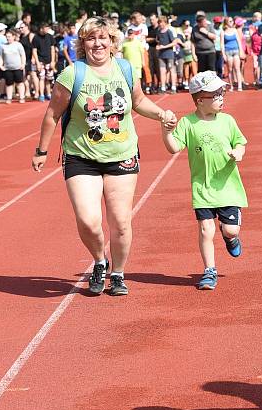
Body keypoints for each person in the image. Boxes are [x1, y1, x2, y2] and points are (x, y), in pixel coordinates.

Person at [31, 16, 176, 296]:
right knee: (88, 220)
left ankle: (118, 273)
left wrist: (160, 114)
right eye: (91, 38)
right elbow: (52, 114)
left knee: (120, 222)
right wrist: (42, 150)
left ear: (112, 42)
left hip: (121, 153)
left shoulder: (125, 68)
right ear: (83, 44)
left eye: (103, 38)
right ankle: (100, 261)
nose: (97, 43)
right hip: (81, 155)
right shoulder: (72, 74)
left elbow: (138, 101)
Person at [160, 71, 247, 290]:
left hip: (228, 187)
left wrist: (239, 152)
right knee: (206, 230)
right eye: (216, 95)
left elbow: (241, 142)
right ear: (200, 100)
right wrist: (166, 131)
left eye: (222, 93)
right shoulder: (188, 123)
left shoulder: (228, 121)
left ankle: (230, 239)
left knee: (231, 230)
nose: (221, 98)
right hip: (202, 188)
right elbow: (173, 148)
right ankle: (210, 270)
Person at [0, 29, 26, 103]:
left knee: (19, 83)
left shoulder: (18, 45)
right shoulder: (3, 46)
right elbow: (1, 57)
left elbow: (23, 55)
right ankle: (9, 98)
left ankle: (22, 97)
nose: (8, 38)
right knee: (9, 83)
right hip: (8, 68)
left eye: (9, 36)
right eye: (7, 37)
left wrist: (23, 64)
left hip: (18, 67)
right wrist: (0, 65)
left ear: (13, 37)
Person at [33, 23, 57, 102]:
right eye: (46, 28)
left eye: (48, 28)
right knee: (41, 78)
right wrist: (37, 63)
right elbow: (34, 51)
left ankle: (48, 94)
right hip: (41, 61)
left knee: (48, 78)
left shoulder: (50, 37)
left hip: (49, 61)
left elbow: (52, 49)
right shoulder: (36, 38)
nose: (47, 30)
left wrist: (53, 61)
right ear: (41, 29)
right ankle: (42, 95)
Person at [221, 16, 244, 91]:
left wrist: (241, 51)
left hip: (236, 51)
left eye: (232, 21)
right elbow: (222, 44)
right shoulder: (223, 32)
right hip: (228, 52)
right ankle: (231, 86)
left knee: (237, 68)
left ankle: (239, 86)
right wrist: (223, 54)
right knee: (230, 70)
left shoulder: (235, 30)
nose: (232, 22)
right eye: (230, 21)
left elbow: (239, 41)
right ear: (226, 23)